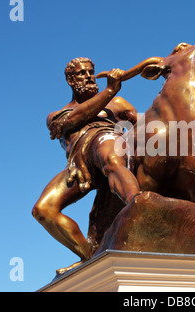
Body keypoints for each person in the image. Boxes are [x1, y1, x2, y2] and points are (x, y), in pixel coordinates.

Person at [32, 57, 140, 275]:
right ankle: (88, 256)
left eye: (91, 72)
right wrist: (110, 90)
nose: (89, 76)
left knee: (111, 158)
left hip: (107, 141)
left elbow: (143, 128)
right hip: (79, 165)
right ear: (71, 80)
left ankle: (139, 209)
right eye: (82, 73)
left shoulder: (117, 105)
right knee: (43, 210)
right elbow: (73, 121)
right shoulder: (56, 115)